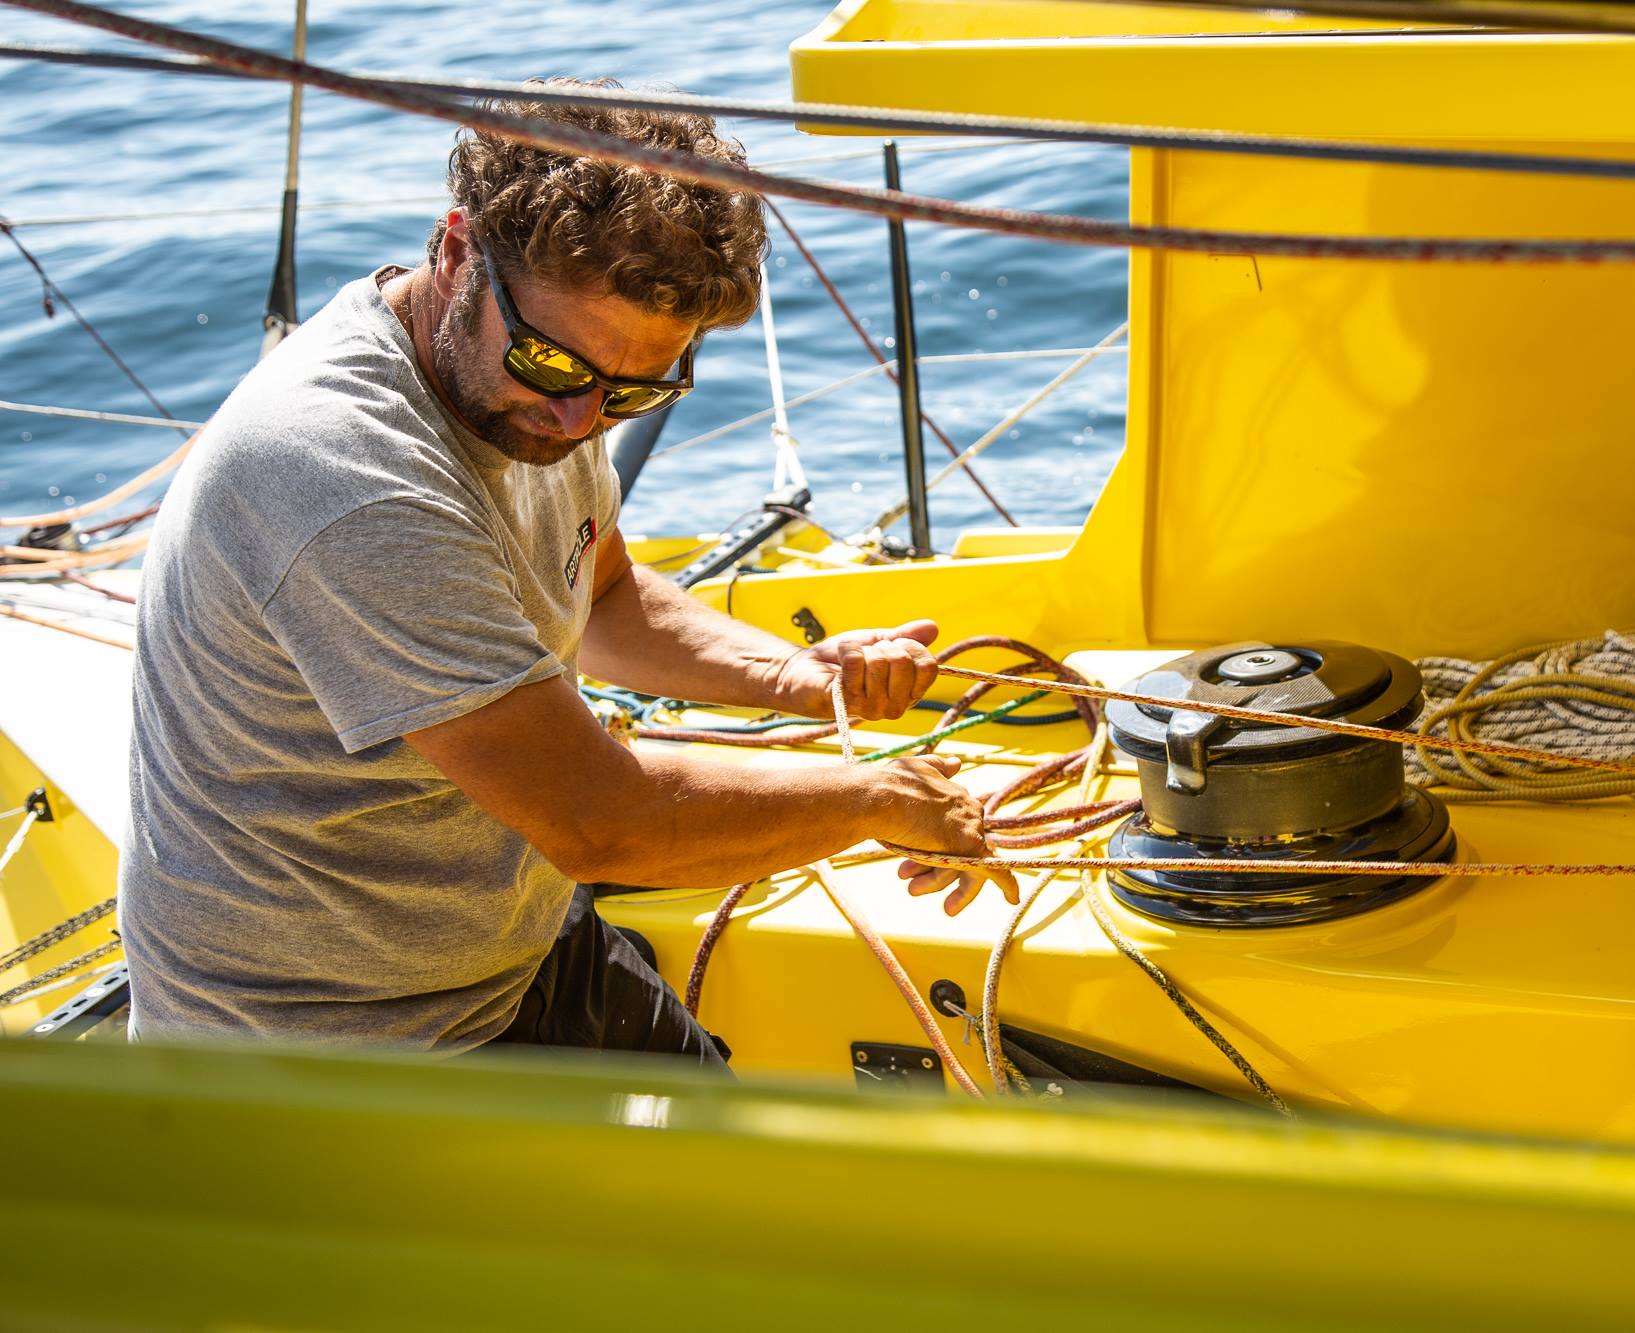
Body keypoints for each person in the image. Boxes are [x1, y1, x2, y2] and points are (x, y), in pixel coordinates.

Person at [118, 85, 1016, 1061]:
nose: (581, 422)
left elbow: (604, 595)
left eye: (635, 389)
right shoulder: (348, 478)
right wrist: (875, 799)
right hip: (330, 1046)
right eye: (555, 367)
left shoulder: (538, 381)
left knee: (727, 1165)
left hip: (510, 952)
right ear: (456, 252)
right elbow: (593, 819)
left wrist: (798, 680)